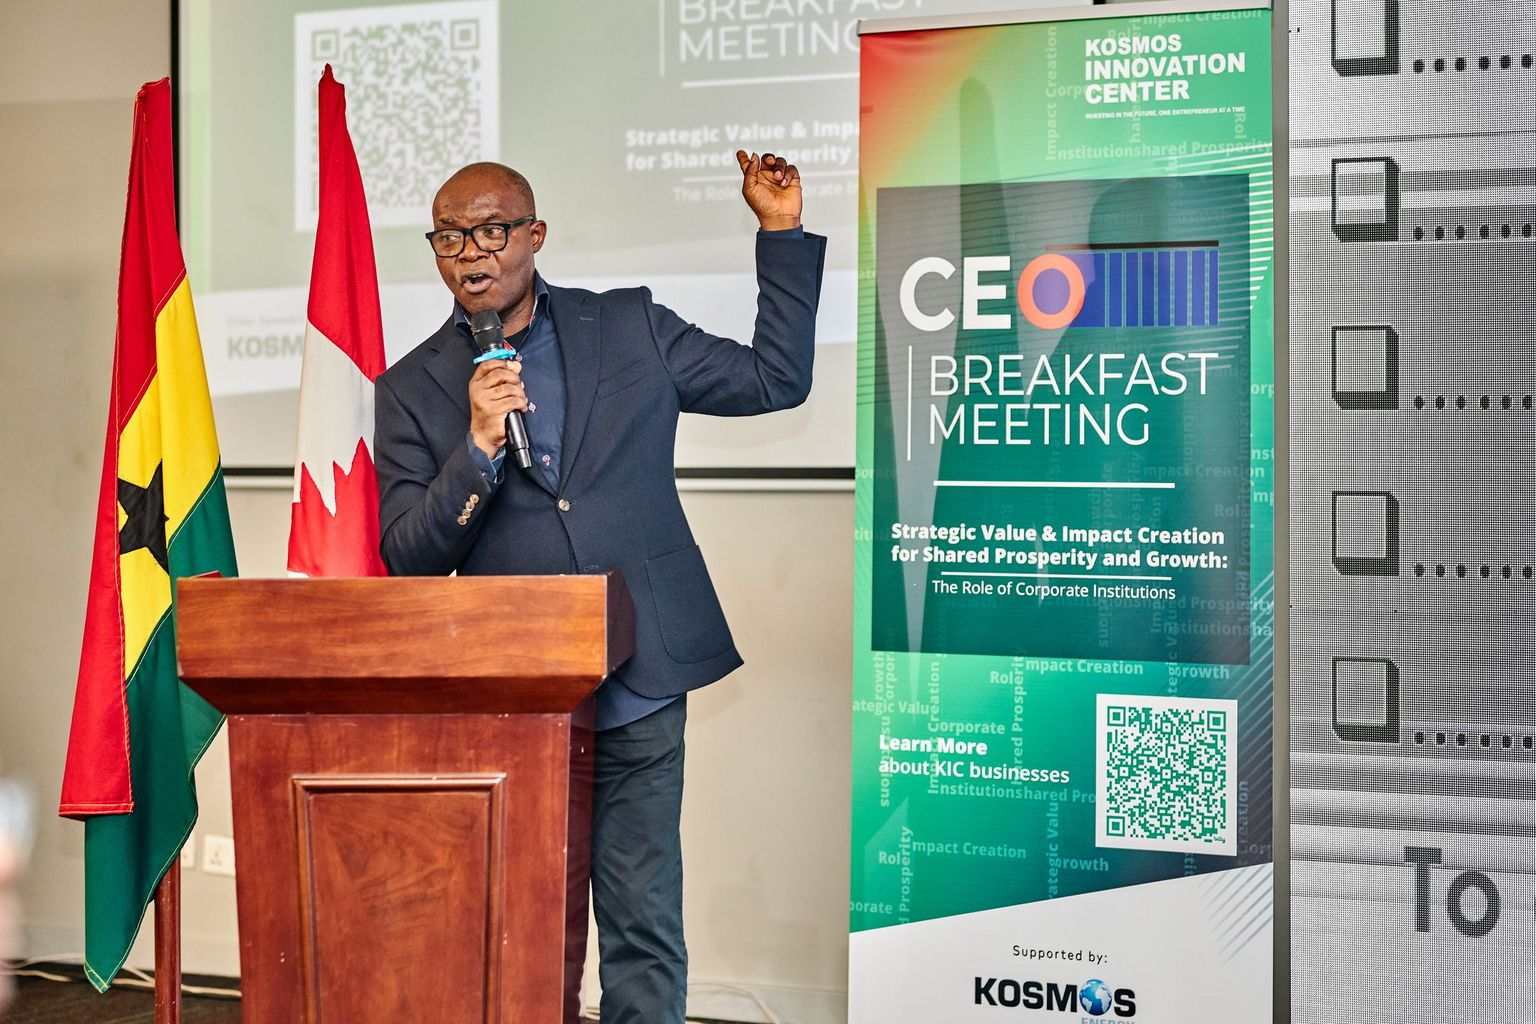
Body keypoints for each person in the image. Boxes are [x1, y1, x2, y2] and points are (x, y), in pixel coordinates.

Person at [374, 152, 824, 1024]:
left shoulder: (628, 325)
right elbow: (409, 557)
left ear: (534, 235)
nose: (471, 253)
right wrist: (477, 446)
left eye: (491, 231)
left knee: (641, 918)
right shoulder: (412, 386)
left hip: (638, 673)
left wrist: (780, 231)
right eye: (450, 238)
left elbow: (777, 378)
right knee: (523, 922)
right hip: (514, 694)